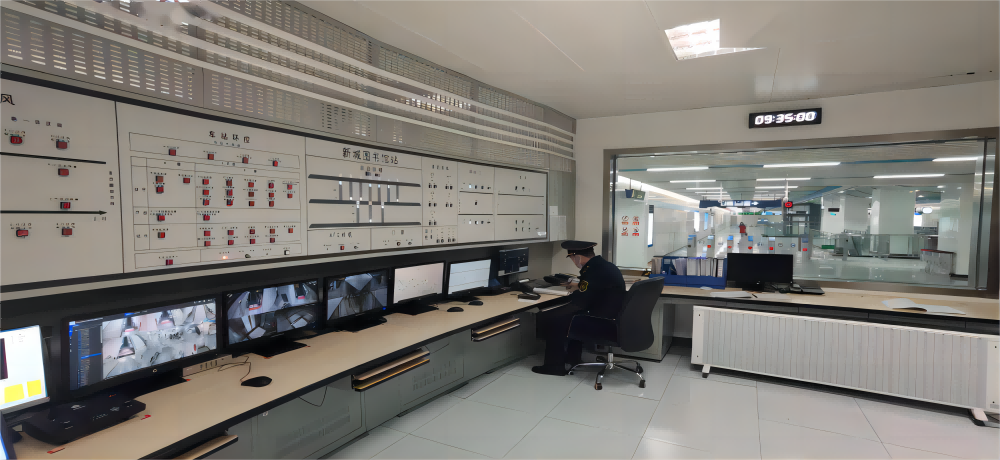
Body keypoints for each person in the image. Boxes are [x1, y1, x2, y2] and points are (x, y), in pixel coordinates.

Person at [532, 241, 626, 376]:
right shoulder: (601, 265)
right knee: (565, 315)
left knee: (555, 318)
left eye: (571, 258)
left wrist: (560, 307)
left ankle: (554, 366)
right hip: (609, 315)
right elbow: (592, 286)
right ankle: (573, 358)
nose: (573, 262)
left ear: (577, 257)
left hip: (602, 320)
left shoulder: (593, 270)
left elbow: (581, 302)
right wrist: (577, 287)